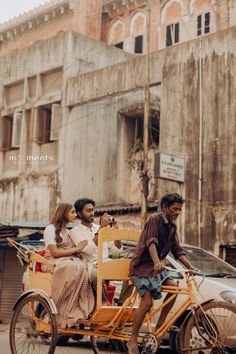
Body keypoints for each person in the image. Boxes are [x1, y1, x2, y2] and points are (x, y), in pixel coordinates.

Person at [127, 193, 196, 354]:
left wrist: (189, 267)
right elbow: (151, 242)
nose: (177, 213)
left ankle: (160, 327)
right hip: (142, 267)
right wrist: (157, 261)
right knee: (147, 303)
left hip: (157, 269)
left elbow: (177, 251)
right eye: (174, 209)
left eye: (179, 210)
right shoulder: (154, 219)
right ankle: (132, 339)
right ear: (165, 208)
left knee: (174, 288)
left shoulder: (172, 227)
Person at [41, 203, 95, 328]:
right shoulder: (50, 229)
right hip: (53, 261)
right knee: (71, 267)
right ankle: (58, 305)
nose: (75, 215)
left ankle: (72, 308)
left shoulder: (69, 232)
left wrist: (80, 249)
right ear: (63, 213)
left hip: (68, 260)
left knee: (82, 267)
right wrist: (77, 248)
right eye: (72, 212)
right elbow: (54, 252)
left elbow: (81, 249)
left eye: (75, 212)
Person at [69, 198, 122, 303]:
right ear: (79, 214)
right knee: (96, 275)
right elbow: (88, 250)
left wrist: (116, 231)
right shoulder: (75, 231)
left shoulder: (99, 227)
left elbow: (117, 251)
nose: (92, 213)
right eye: (88, 211)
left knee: (133, 268)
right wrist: (101, 230)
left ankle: (122, 302)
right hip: (90, 266)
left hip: (107, 263)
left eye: (92, 210)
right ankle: (105, 305)